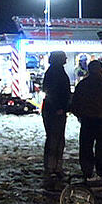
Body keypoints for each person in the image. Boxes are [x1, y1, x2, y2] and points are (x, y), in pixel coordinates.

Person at [70, 58, 102, 182]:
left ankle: (87, 171)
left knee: (86, 148)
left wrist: (80, 116)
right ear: (100, 70)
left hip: (87, 121)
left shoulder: (82, 85)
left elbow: (74, 104)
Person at [41, 51, 72, 189]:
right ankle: (52, 168)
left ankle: (55, 167)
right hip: (54, 111)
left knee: (57, 139)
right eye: (64, 57)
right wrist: (59, 108)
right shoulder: (56, 73)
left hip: (53, 109)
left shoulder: (53, 71)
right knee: (55, 139)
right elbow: (53, 92)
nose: (66, 59)